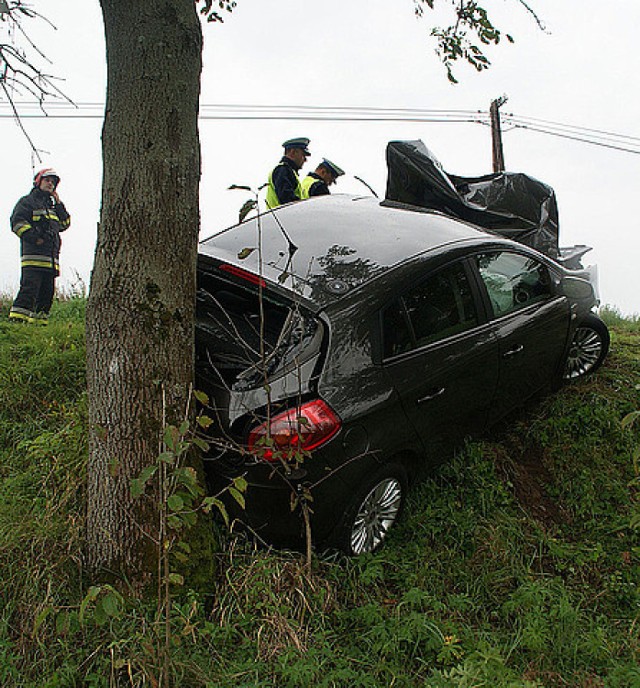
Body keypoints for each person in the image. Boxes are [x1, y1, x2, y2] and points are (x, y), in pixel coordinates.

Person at [8, 168, 71, 325]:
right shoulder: (27, 202)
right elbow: (17, 223)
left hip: (51, 259)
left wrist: (59, 204)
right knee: (29, 290)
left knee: (47, 294)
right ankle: (16, 323)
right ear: (38, 181)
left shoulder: (53, 207)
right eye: (47, 180)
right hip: (33, 257)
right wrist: (35, 238)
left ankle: (39, 326)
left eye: (53, 182)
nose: (50, 184)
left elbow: (65, 224)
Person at [266, 137, 311, 209]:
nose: (305, 160)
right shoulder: (283, 170)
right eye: (303, 155)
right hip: (282, 218)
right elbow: (287, 199)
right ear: (293, 152)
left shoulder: (288, 171)